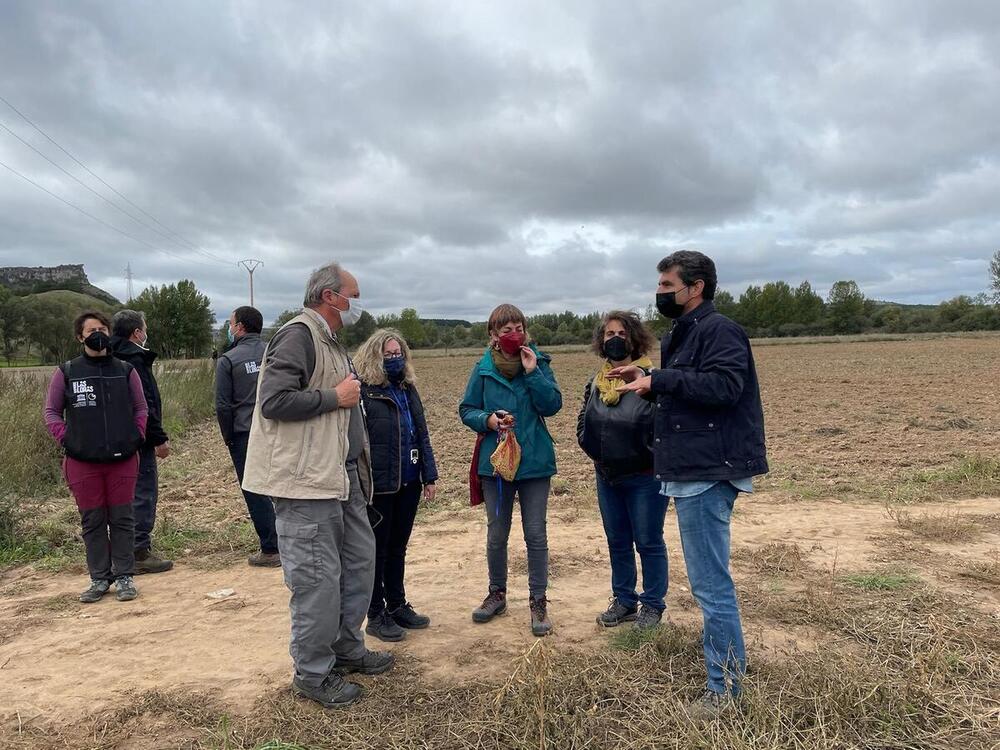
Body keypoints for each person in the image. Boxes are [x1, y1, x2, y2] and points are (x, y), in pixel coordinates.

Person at [614, 250, 768, 720]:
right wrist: (650, 377)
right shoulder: (687, 331)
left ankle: (724, 693)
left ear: (695, 287)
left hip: (707, 472)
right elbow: (690, 383)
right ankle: (727, 675)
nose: (660, 294)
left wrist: (659, 380)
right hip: (693, 469)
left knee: (710, 586)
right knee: (710, 583)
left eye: (666, 286)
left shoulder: (719, 330)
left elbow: (723, 386)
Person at [242, 262, 391, 710]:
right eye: (353, 294)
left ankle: (347, 648)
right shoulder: (298, 336)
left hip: (341, 478)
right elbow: (272, 401)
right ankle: (312, 673)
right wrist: (335, 398)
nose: (358, 303)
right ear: (330, 296)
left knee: (359, 565)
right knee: (317, 581)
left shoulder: (331, 343)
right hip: (305, 484)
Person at [459, 304, 562, 637]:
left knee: (535, 534)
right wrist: (487, 420)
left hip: (534, 463)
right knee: (496, 534)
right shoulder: (483, 369)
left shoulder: (539, 363)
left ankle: (538, 601)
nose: (514, 334)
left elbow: (552, 405)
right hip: (497, 464)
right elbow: (467, 409)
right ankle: (497, 594)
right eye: (506, 330)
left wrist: (533, 374)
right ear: (493, 334)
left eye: (518, 327)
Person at [43, 311, 148, 603]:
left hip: (122, 459)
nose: (97, 334)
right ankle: (99, 578)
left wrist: (137, 434)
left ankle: (125, 576)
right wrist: (67, 438)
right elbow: (51, 412)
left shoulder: (125, 370)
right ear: (80, 337)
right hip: (82, 461)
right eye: (91, 330)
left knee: (123, 518)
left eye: (102, 328)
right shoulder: (67, 371)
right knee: (93, 520)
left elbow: (141, 408)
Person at [576, 310, 666, 630]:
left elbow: (664, 425)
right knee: (617, 540)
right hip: (607, 475)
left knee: (648, 541)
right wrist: (593, 450)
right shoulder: (595, 382)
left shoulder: (650, 379)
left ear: (634, 339)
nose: (615, 339)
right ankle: (625, 600)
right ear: (601, 341)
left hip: (644, 476)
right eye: (609, 334)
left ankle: (652, 604)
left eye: (622, 333)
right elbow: (583, 421)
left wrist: (648, 456)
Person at [355, 329, 438, 642]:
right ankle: (376, 614)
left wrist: (428, 475)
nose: (395, 358)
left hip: (409, 481)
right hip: (380, 485)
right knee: (375, 550)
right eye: (388, 354)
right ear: (374, 356)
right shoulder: (365, 392)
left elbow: (421, 433)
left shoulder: (407, 388)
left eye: (398, 353)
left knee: (397, 548)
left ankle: (398, 605)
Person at [109, 310, 174, 574]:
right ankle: (138, 552)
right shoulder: (135, 359)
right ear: (137, 332)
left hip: (110, 440)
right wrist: (158, 438)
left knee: (118, 495)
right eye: (144, 328)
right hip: (139, 439)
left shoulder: (104, 358)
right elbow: (144, 404)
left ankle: (118, 550)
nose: (146, 333)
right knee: (143, 493)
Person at [215, 305, 279, 567]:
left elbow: (223, 405)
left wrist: (228, 436)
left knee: (254, 489)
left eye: (231, 324)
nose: (230, 328)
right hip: (279, 430)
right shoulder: (274, 352)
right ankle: (292, 542)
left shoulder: (228, 360)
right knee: (282, 486)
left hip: (245, 433)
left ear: (239, 327)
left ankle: (271, 548)